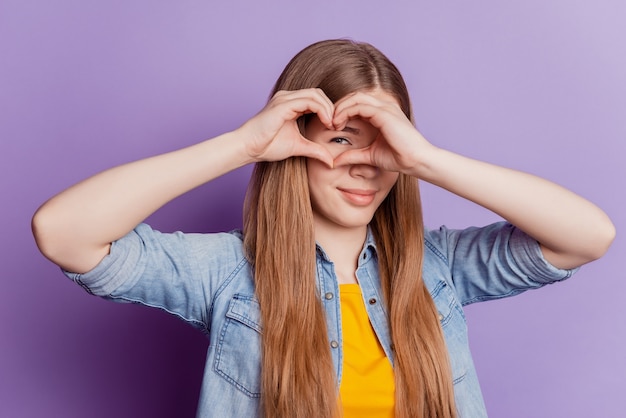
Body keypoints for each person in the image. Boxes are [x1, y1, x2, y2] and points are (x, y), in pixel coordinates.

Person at [31, 39, 615, 418]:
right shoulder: (228, 274)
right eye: (340, 140)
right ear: (295, 145)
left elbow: (588, 235)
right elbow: (63, 232)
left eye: (383, 145)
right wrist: (243, 145)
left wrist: (427, 159)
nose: (366, 164)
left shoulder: (437, 267)